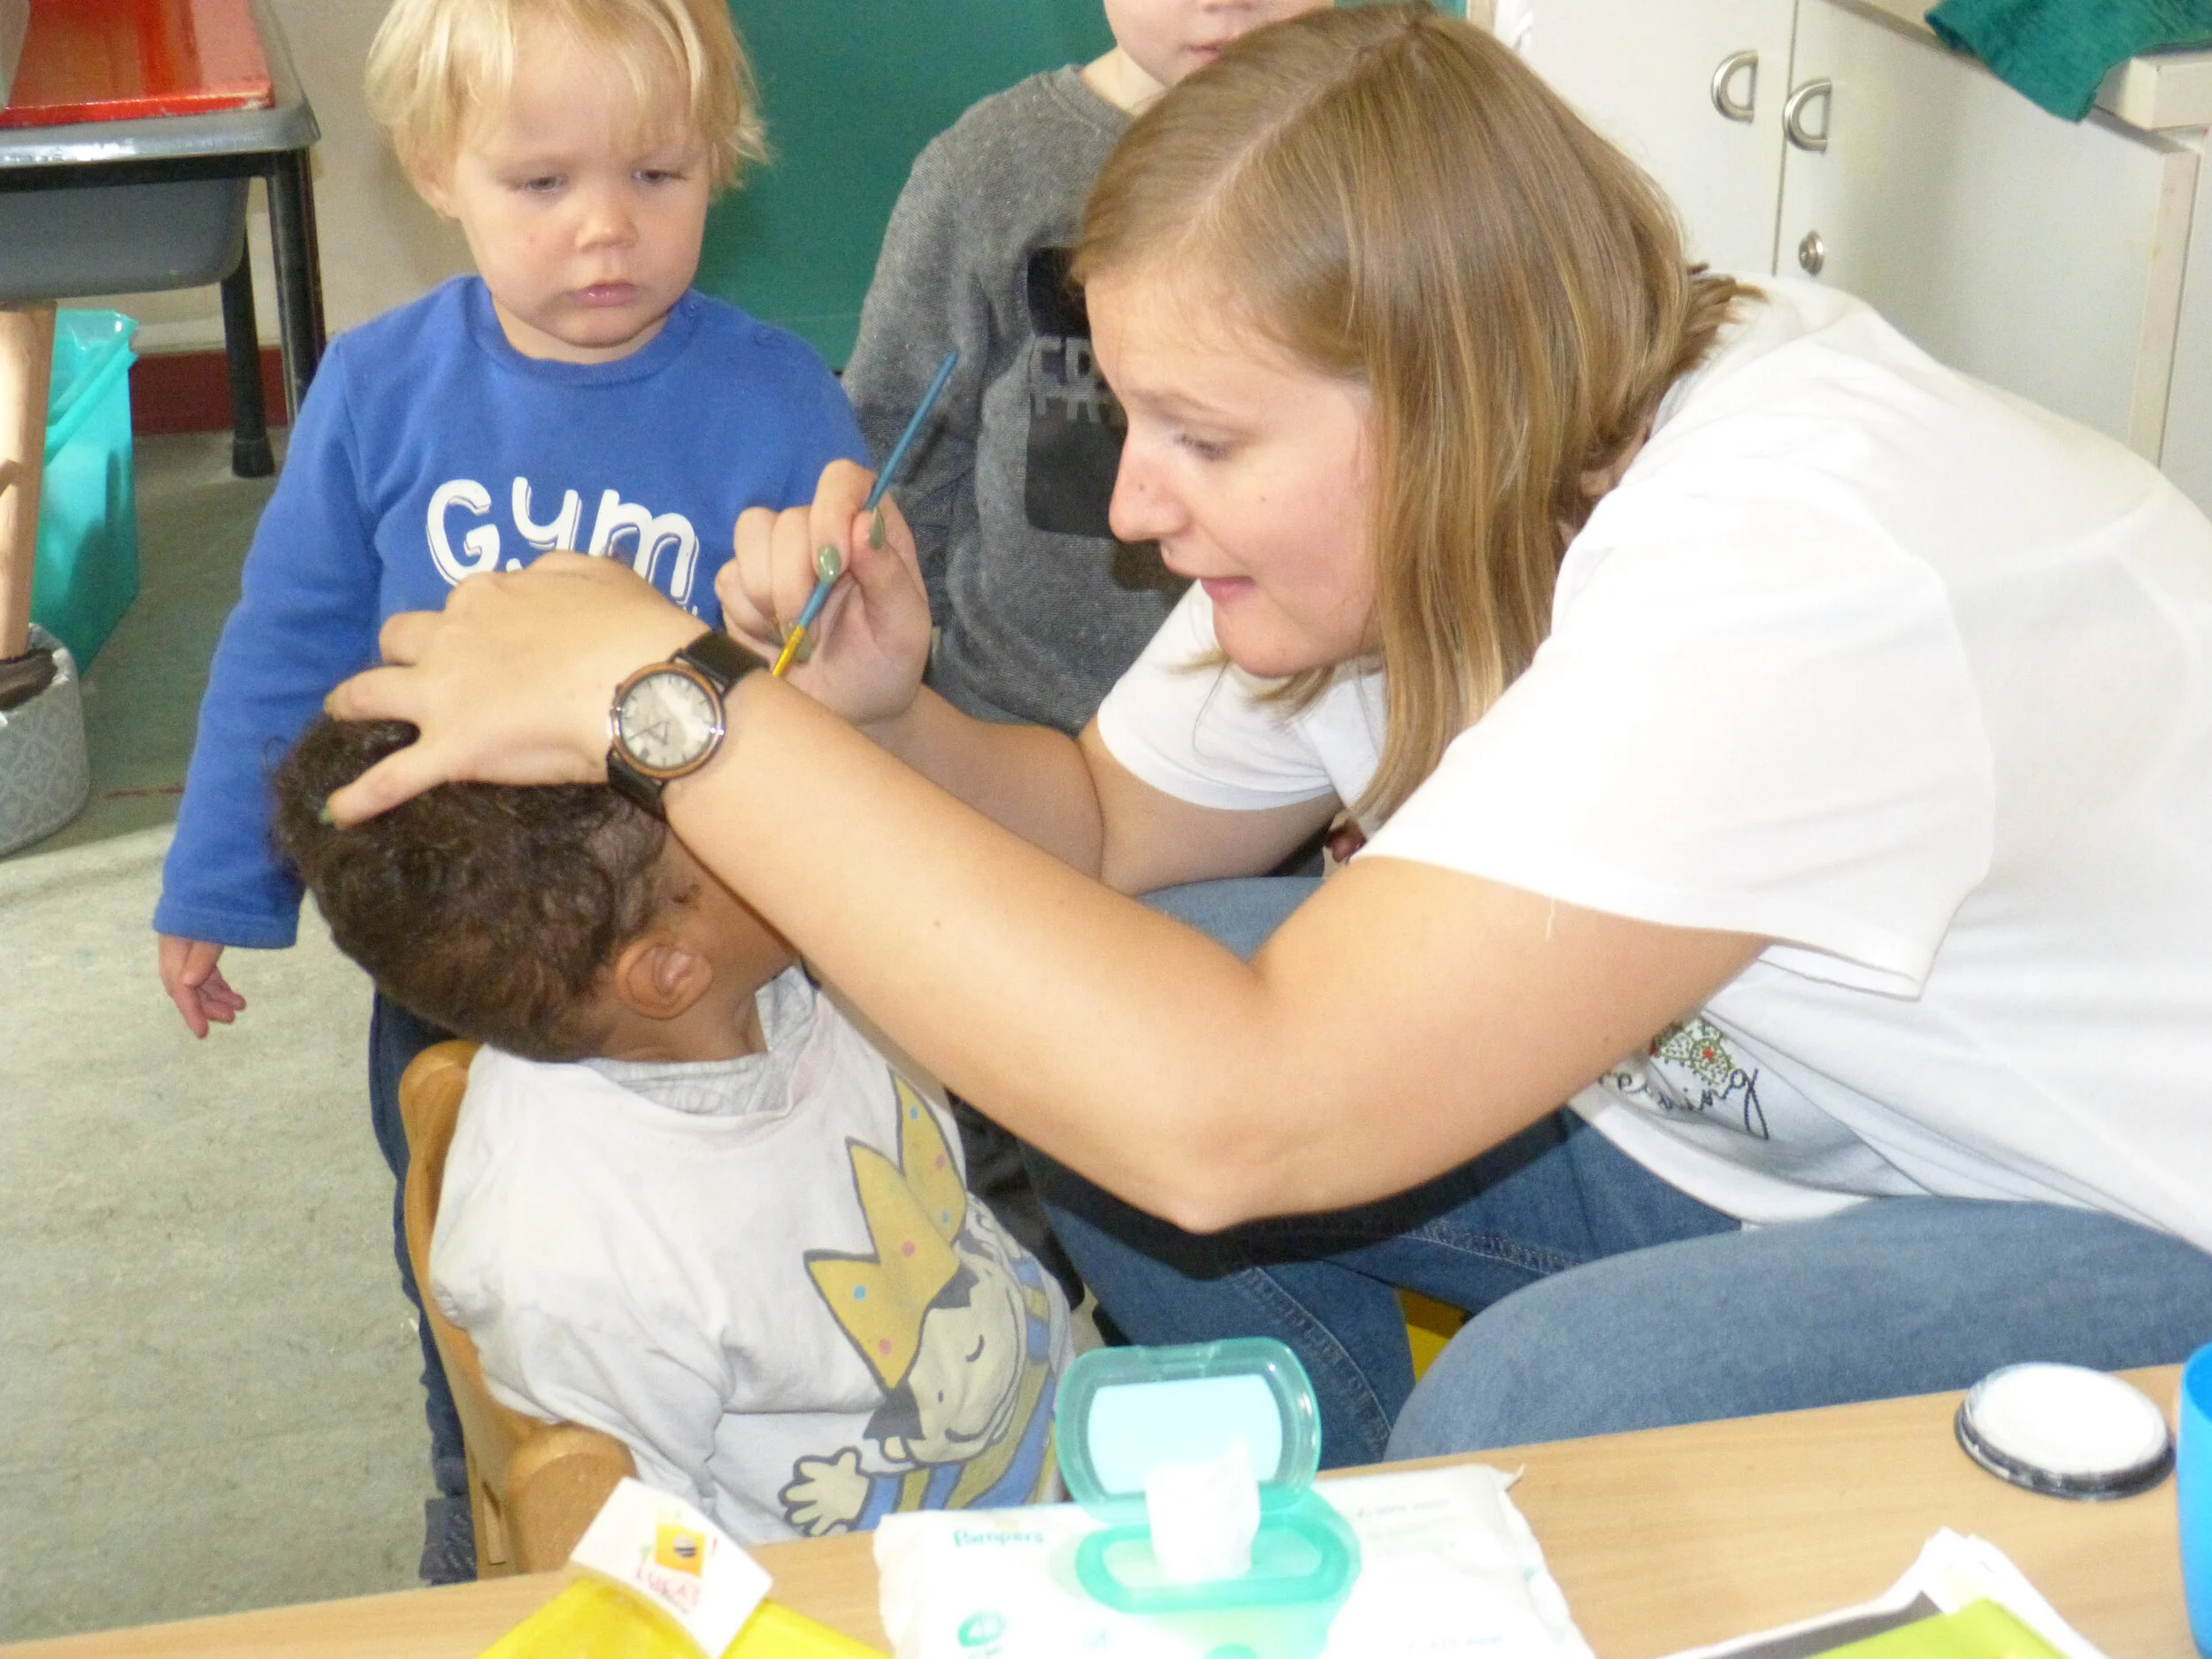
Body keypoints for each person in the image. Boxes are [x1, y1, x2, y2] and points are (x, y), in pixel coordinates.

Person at [320, 6, 2212, 1472]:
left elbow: (1236, 1116)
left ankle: (1457, 1545)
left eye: (1203, 440)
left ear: (1445, 396)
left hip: (2122, 1216)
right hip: (1771, 1136)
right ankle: (1372, 1536)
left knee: (1544, 1404)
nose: (1138, 508)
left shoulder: (1794, 577)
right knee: (1127, 999)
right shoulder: (1479, 453)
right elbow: (1104, 831)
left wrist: (672, 705)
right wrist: (885, 719)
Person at [151, 0, 866, 1578]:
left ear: (719, 165)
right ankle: (469, 1474)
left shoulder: (781, 400)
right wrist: (218, 877)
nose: (607, 228)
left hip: (708, 946)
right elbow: (288, 645)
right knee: (468, 1249)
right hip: (461, 954)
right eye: (543, 184)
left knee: (743, 1232)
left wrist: (824, 620)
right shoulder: (378, 387)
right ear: (438, 172)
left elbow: (832, 692)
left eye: (658, 176)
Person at [272, 716, 1072, 1542]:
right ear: (670, 969)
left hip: (1049, 1434)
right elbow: (653, 1563)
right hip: (900, 1585)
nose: (779, 803)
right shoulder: (574, 1268)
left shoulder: (785, 964)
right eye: (728, 813)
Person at [830, 0, 1331, 1305]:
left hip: (1274, 797)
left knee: (1237, 1143)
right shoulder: (994, 168)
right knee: (1002, 1130)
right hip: (1006, 742)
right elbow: (900, 450)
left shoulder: (1387, 176)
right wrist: (895, 696)